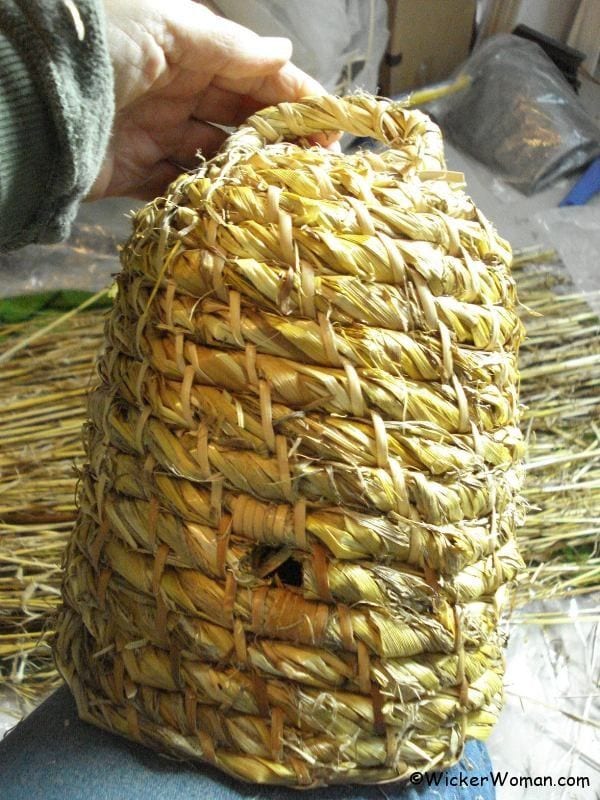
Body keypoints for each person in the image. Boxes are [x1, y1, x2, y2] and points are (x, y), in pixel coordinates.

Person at [0, 3, 496, 798]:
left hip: (209, 681)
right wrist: (57, 90)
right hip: (166, 671)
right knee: (449, 776)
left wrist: (59, 90)